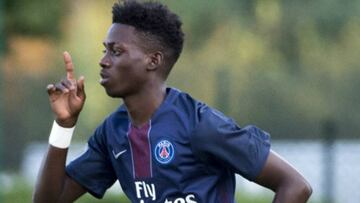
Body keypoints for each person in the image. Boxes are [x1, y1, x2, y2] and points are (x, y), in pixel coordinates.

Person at [33, 1, 312, 203]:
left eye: (116, 51)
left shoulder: (200, 125)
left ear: (153, 60)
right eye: (104, 50)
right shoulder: (112, 133)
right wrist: (63, 125)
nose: (103, 61)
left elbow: (295, 185)